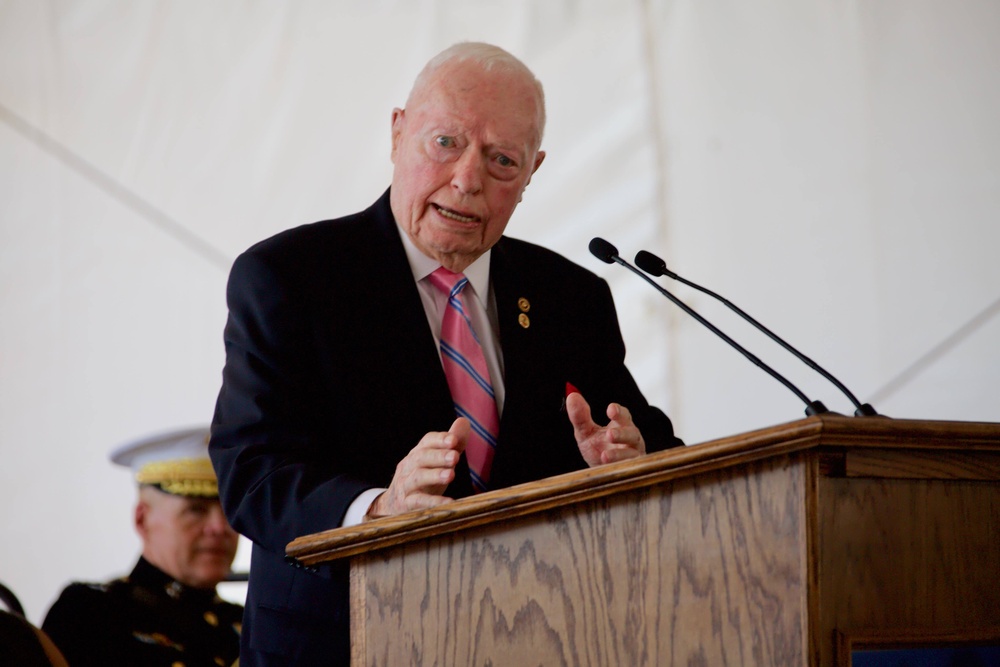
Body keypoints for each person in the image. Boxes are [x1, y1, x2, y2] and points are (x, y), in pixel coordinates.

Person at [210, 41, 684, 666]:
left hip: (533, 641)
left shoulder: (571, 297)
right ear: (398, 132)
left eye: (502, 160)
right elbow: (252, 472)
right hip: (340, 644)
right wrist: (381, 509)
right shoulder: (291, 278)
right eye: (445, 143)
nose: (467, 180)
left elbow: (655, 449)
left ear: (532, 172)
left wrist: (631, 465)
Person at [42, 428, 243, 667]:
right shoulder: (91, 615)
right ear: (142, 519)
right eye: (196, 510)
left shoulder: (249, 624)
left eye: (230, 512)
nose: (220, 527)